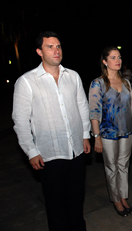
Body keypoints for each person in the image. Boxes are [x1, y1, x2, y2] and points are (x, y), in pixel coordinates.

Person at [12, 31, 91, 230]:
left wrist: (85, 135)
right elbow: (20, 121)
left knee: (76, 199)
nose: (56, 50)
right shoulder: (27, 82)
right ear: (39, 51)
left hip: (76, 150)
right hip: (49, 154)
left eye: (58, 46)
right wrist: (31, 151)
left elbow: (82, 107)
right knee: (56, 206)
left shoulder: (72, 76)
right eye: (50, 47)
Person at [89, 46, 132, 217]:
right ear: (104, 61)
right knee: (111, 167)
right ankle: (116, 199)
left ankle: (123, 196)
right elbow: (94, 112)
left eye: (119, 57)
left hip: (128, 130)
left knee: (124, 165)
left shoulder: (126, 82)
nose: (118, 60)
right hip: (108, 132)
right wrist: (96, 138)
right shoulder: (98, 83)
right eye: (113, 57)